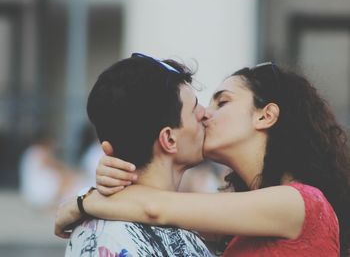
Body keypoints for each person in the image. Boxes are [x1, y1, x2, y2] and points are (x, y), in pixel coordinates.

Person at [56, 62, 350, 256]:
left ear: (265, 115)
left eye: (222, 102)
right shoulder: (239, 223)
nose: (205, 113)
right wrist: (115, 177)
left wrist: (83, 203)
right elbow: (157, 208)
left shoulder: (299, 203)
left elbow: (156, 208)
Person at [59, 53, 213, 256]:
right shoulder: (110, 238)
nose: (206, 113)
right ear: (169, 139)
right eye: (195, 109)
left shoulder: (100, 225)